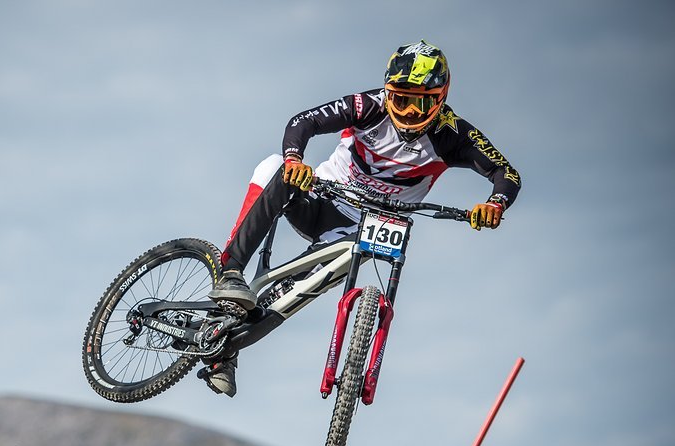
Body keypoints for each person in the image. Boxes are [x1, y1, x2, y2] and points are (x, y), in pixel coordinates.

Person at [201, 40, 521, 397]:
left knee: (289, 293)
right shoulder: (369, 105)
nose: (411, 113)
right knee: (274, 165)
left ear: (441, 98)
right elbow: (302, 122)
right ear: (388, 92)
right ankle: (231, 270)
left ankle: (225, 349)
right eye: (401, 100)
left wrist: (495, 204)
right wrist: (295, 161)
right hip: (318, 197)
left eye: (422, 103)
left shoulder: (453, 134)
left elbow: (506, 173)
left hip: (358, 229)